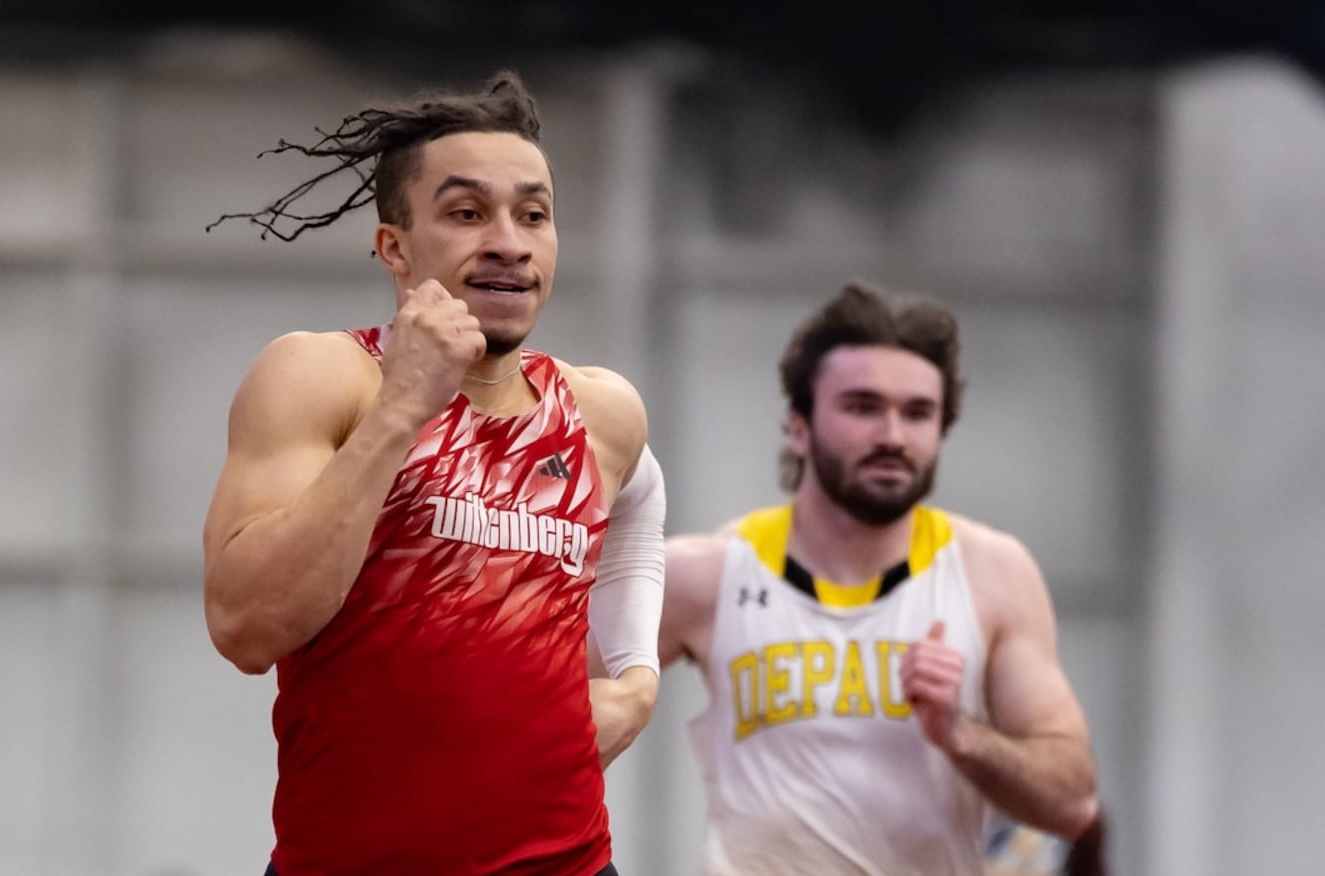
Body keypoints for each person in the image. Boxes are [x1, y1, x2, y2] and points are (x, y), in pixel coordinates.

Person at [201, 71, 665, 876]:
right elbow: (248, 627)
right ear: (395, 247)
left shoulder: (603, 412)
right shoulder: (324, 377)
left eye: (534, 215)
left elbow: (639, 521)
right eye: (466, 213)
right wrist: (403, 409)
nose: (509, 243)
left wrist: (637, 679)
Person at [659, 282, 1100, 875]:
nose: (893, 435)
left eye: (918, 413)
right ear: (798, 425)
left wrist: (959, 734)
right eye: (863, 407)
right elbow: (551, 709)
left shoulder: (992, 574)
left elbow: (1072, 802)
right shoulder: (707, 574)